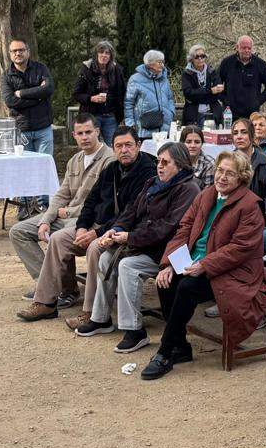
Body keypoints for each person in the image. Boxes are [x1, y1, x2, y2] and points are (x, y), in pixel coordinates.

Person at [141, 150, 266, 380]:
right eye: (220, 170)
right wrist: (169, 264)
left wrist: (205, 265)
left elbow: (240, 249)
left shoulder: (250, 205)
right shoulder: (206, 194)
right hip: (194, 263)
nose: (222, 177)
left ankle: (165, 351)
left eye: (230, 173)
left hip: (232, 272)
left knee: (187, 287)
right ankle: (180, 347)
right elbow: (184, 229)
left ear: (242, 178)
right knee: (165, 282)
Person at [17, 126, 153, 322]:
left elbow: (130, 214)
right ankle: (46, 303)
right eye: (119, 146)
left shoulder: (146, 172)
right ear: (114, 149)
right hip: (97, 226)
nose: (124, 150)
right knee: (58, 238)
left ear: (138, 146)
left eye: (129, 145)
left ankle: (92, 313)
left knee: (94, 249)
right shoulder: (111, 169)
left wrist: (96, 233)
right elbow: (90, 202)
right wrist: (81, 226)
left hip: (124, 231)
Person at [83, 142, 203, 350]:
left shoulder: (188, 189)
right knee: (105, 257)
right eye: (158, 161)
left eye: (166, 162)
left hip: (169, 253)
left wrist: (129, 237)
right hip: (145, 245)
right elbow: (131, 211)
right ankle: (101, 318)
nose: (160, 166)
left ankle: (135, 331)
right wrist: (116, 228)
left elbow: (167, 228)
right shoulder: (153, 183)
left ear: (181, 165)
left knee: (127, 266)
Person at [9, 114, 111, 296]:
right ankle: (48, 284)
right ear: (74, 135)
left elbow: (103, 203)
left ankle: (65, 290)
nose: (85, 137)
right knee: (19, 231)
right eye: (80, 133)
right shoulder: (75, 160)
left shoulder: (109, 160)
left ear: (97, 131)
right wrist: (46, 220)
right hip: (65, 216)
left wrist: (68, 212)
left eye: (89, 132)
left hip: (87, 220)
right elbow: (61, 195)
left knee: (61, 236)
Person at [0, 38, 55, 217]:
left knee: (43, 167)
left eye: (21, 50)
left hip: (43, 127)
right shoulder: (6, 76)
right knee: (23, 168)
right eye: (14, 51)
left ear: (27, 52)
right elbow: (10, 101)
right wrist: (37, 97)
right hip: (21, 129)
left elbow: (48, 90)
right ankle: (25, 206)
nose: (18, 53)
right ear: (10, 54)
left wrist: (22, 94)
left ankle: (44, 206)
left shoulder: (41, 69)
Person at [72, 40, 127, 145]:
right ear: (96, 54)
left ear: (111, 56)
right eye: (101, 52)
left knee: (112, 147)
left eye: (107, 53)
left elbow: (122, 92)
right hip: (91, 116)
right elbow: (76, 94)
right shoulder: (86, 69)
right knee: (91, 146)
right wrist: (91, 98)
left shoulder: (116, 70)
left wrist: (121, 114)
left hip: (111, 116)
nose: (104, 55)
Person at [215, 36, 266, 120]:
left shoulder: (260, 64)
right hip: (230, 114)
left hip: (252, 115)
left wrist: (258, 101)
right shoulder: (227, 63)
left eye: (249, 48)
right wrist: (225, 100)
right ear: (237, 47)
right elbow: (216, 82)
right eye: (244, 48)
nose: (247, 50)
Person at [124, 49, 176, 141]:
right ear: (150, 64)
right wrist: (130, 122)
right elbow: (129, 102)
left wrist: (171, 112)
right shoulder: (135, 79)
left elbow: (170, 98)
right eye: (159, 62)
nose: (162, 65)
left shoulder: (164, 79)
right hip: (145, 128)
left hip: (165, 128)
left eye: (163, 62)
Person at [180, 45, 220, 127]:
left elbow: (217, 95)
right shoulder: (187, 73)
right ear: (191, 59)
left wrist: (199, 95)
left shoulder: (212, 71)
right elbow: (189, 94)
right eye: (197, 57)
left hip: (212, 113)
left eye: (202, 56)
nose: (200, 59)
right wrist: (210, 91)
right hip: (194, 115)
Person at [182, 124, 215, 190]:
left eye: (197, 142)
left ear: (202, 143)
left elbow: (208, 193)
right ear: (182, 143)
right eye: (188, 142)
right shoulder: (176, 160)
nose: (192, 145)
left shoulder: (209, 164)